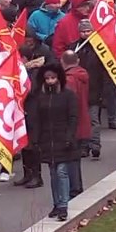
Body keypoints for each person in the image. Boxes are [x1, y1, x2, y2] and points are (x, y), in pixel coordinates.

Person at [31, 63, 80, 221]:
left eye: (53, 78)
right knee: (53, 174)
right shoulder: (41, 97)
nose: (50, 81)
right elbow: (37, 119)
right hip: (47, 140)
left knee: (62, 172)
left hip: (63, 139)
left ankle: (63, 205)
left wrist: (69, 136)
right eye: (47, 78)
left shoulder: (68, 95)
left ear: (59, 78)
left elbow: (73, 117)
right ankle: (56, 203)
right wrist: (36, 139)